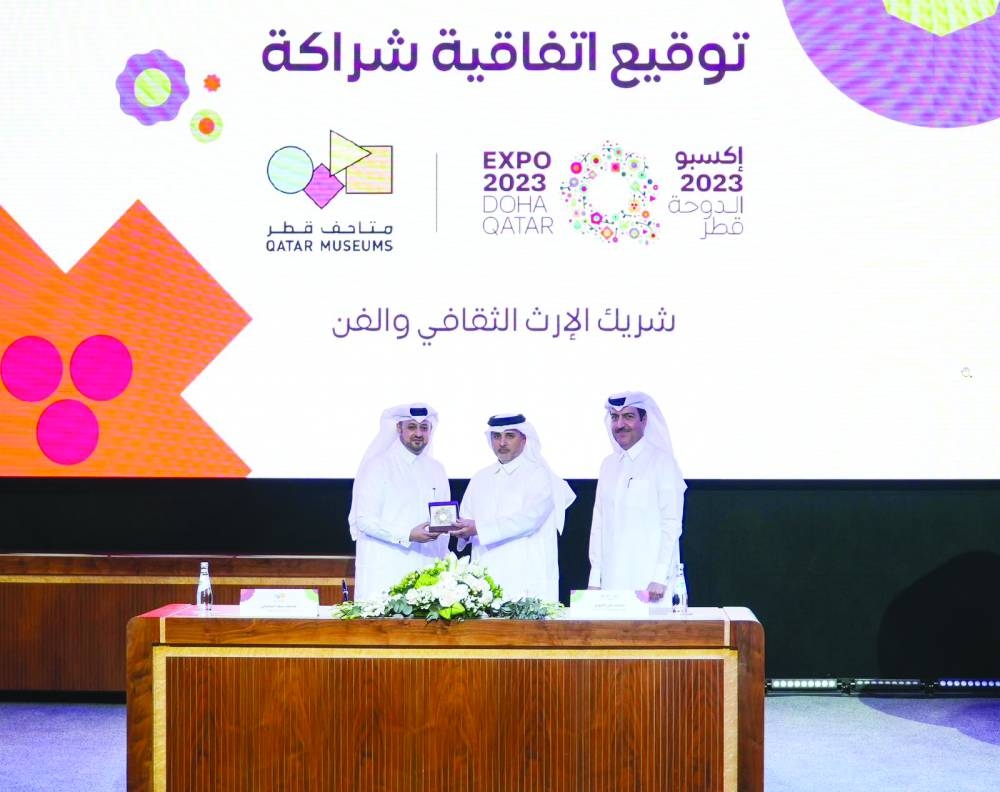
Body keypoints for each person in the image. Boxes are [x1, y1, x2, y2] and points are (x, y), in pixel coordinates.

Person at [451, 413, 576, 602]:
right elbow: (466, 520)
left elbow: (529, 520)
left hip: (526, 578)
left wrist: (478, 528)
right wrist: (462, 533)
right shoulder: (480, 478)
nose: (502, 443)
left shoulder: (540, 476)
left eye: (509, 436)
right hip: (485, 580)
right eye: (496, 436)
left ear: (524, 439)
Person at [588, 391, 686, 601]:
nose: (620, 424)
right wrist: (595, 580)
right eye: (615, 417)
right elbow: (599, 524)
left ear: (644, 419)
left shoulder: (663, 463)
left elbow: (671, 523)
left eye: (628, 417)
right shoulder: (608, 465)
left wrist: (660, 576)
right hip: (611, 585)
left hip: (650, 585)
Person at [348, 403, 451, 601]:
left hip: (429, 574)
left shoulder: (437, 469)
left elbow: (441, 516)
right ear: (399, 429)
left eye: (424, 427)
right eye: (412, 427)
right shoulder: (378, 466)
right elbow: (365, 520)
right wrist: (407, 534)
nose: (418, 433)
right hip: (388, 571)